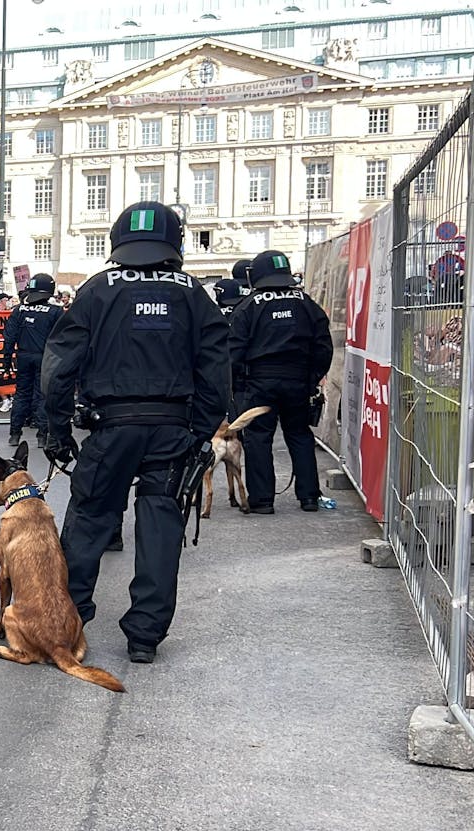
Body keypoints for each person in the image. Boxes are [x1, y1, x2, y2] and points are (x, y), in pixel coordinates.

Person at [40, 201, 230, 663]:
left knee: (89, 522)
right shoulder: (193, 293)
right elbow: (218, 369)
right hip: (171, 428)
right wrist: (201, 431)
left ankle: (65, 625)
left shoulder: (98, 289)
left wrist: (57, 429)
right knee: (162, 527)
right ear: (175, 243)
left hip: (111, 426)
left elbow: (58, 366)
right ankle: (145, 636)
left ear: (117, 242)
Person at [230, 249, 334, 514]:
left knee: (258, 437)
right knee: (299, 435)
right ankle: (309, 496)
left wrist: (237, 385)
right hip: (298, 380)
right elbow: (323, 346)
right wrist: (310, 379)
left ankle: (262, 500)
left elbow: (233, 350)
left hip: (259, 381)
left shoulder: (249, 306)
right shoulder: (306, 303)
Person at [3, 274, 63, 448]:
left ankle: (14, 434)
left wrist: (6, 363)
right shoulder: (55, 311)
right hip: (45, 357)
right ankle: (42, 436)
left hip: (23, 356)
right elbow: (61, 339)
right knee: (42, 396)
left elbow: (9, 338)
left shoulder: (19, 310)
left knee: (21, 394)